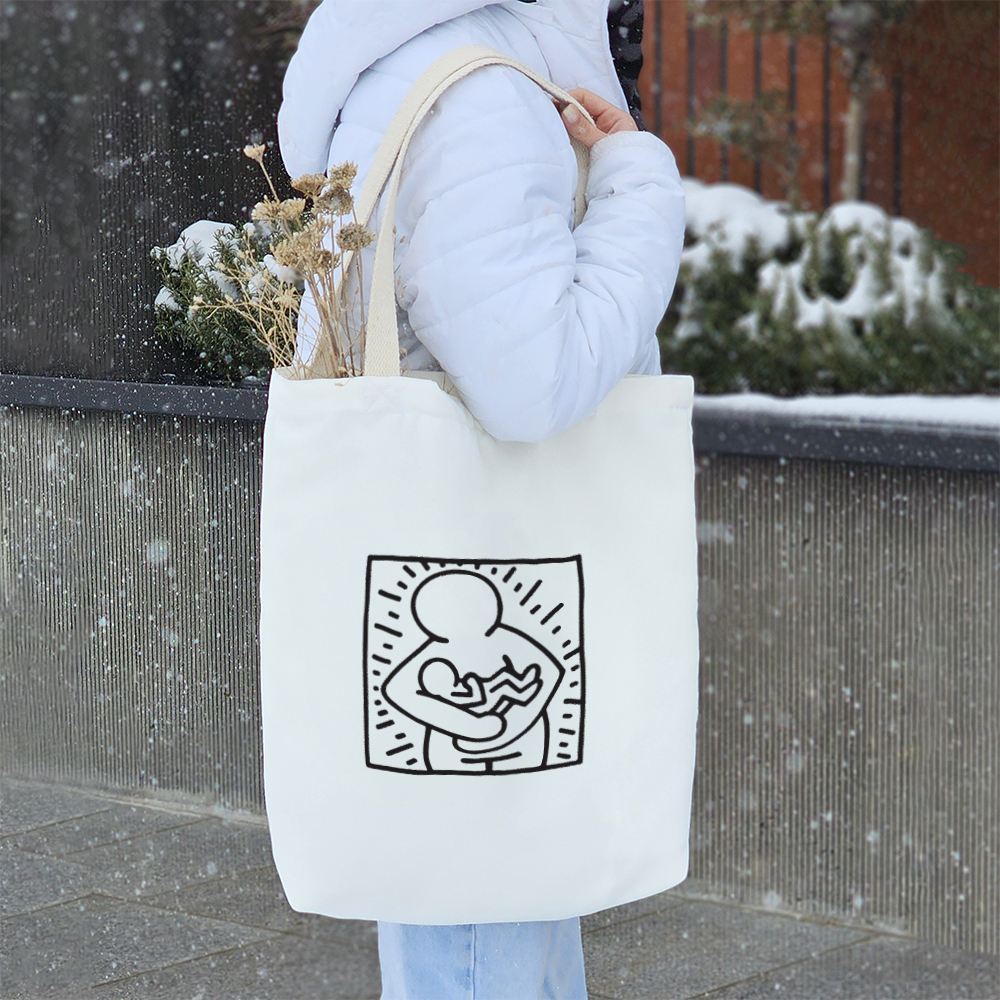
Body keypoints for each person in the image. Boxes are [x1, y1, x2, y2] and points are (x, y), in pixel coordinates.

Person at [277, 1, 685, 996]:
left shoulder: (431, 61)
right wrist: (637, 185)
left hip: (458, 552)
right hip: (499, 551)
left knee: (484, 904)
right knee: (483, 923)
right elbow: (532, 384)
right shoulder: (479, 95)